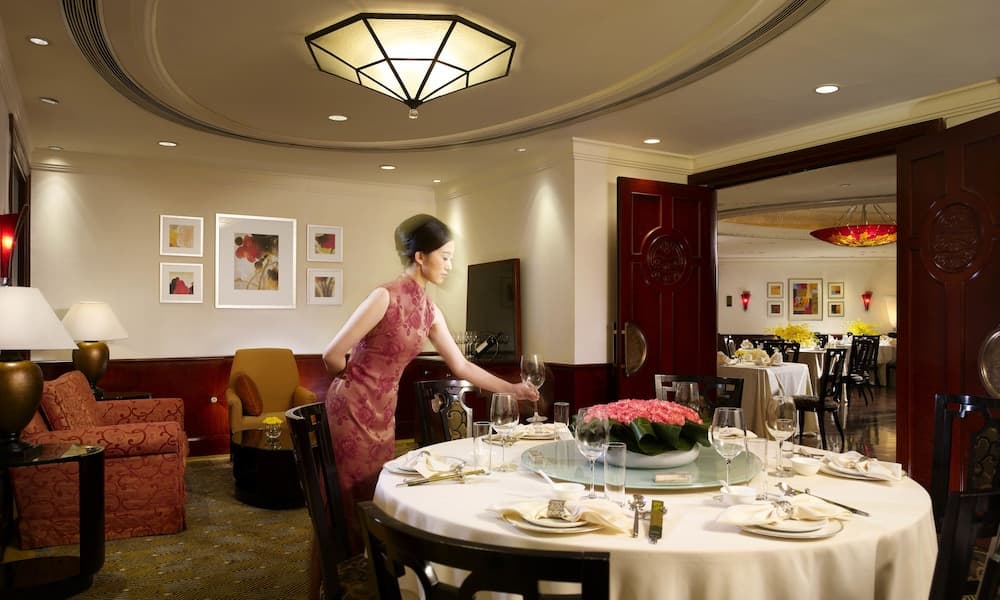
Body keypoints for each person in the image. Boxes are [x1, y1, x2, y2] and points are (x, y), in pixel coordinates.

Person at [321, 213, 538, 550]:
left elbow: (462, 366)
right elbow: (332, 355)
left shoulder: (429, 311)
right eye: (445, 257)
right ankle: (348, 564)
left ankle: (369, 563)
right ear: (420, 257)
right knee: (352, 492)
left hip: (383, 411)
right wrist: (355, 383)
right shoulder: (383, 296)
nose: (450, 266)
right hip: (351, 409)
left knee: (375, 487)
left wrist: (513, 389)